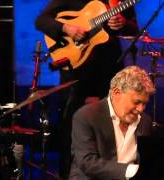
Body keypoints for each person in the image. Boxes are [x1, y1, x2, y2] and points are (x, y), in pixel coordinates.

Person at [35, 0, 139, 178]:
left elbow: (133, 28)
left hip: (109, 70)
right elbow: (41, 20)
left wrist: (123, 23)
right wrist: (67, 28)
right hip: (76, 72)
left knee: (112, 128)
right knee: (71, 128)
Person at [69, 66, 155, 179]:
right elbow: (87, 162)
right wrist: (130, 170)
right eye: (137, 102)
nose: (141, 109)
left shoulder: (145, 121)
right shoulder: (86, 116)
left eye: (144, 104)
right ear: (116, 93)